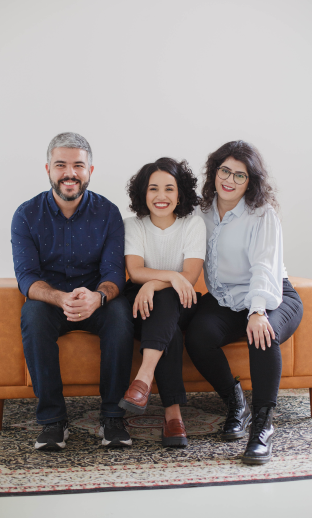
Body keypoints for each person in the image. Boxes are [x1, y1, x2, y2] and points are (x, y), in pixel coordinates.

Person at [11, 132, 134, 450]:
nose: (69, 173)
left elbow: (113, 273)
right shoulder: (26, 215)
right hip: (52, 303)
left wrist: (98, 297)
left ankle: (112, 417)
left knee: (120, 313)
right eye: (61, 164)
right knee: (32, 313)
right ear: (48, 169)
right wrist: (59, 297)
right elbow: (26, 276)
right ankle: (52, 422)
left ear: (90, 171)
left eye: (78, 165)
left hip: (96, 302)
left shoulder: (108, 214)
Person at [185, 140, 303, 464]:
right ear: (214, 171)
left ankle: (262, 427)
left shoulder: (262, 214)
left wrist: (258, 311)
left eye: (240, 175)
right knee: (198, 335)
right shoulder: (202, 209)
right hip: (225, 298)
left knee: (261, 335)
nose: (230, 180)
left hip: (273, 295)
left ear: (250, 181)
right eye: (225, 170)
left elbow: (264, 267)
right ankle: (236, 402)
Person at [118, 158, 206, 447]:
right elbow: (136, 270)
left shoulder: (193, 223)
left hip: (183, 300)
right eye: (153, 188)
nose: (161, 196)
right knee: (166, 316)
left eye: (169, 188)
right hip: (141, 303)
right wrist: (167, 278)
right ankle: (173, 417)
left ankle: (144, 378)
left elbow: (189, 279)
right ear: (143, 193)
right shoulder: (133, 225)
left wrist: (154, 284)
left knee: (167, 298)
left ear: (180, 193)